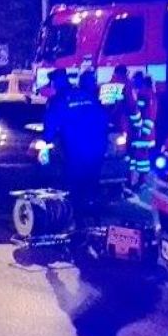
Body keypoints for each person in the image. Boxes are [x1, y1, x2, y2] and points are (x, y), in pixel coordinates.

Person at [42, 69, 109, 227]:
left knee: (75, 185)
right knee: (91, 182)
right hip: (97, 146)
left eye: (53, 83)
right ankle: (94, 219)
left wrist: (46, 141)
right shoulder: (85, 94)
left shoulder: (58, 100)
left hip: (76, 149)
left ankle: (79, 223)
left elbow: (50, 125)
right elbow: (103, 117)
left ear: (57, 82)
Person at [129, 71, 157, 182]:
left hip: (143, 133)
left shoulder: (147, 95)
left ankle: (142, 180)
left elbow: (150, 115)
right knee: (138, 157)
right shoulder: (143, 93)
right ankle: (136, 179)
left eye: (135, 81)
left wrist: (144, 132)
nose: (133, 83)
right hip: (139, 132)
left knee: (142, 158)